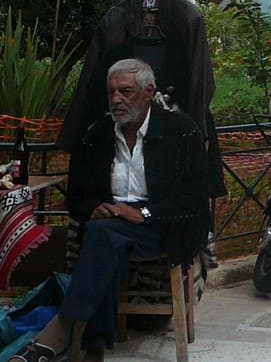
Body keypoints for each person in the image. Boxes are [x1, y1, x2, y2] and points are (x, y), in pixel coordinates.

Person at [9, 59, 210, 362]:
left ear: (148, 92)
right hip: (110, 225)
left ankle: (67, 333)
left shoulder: (180, 131)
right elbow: (76, 197)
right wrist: (95, 208)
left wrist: (144, 214)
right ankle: (91, 344)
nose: (116, 99)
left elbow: (195, 198)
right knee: (104, 236)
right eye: (112, 92)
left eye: (125, 91)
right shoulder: (97, 134)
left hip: (162, 226)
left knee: (101, 237)